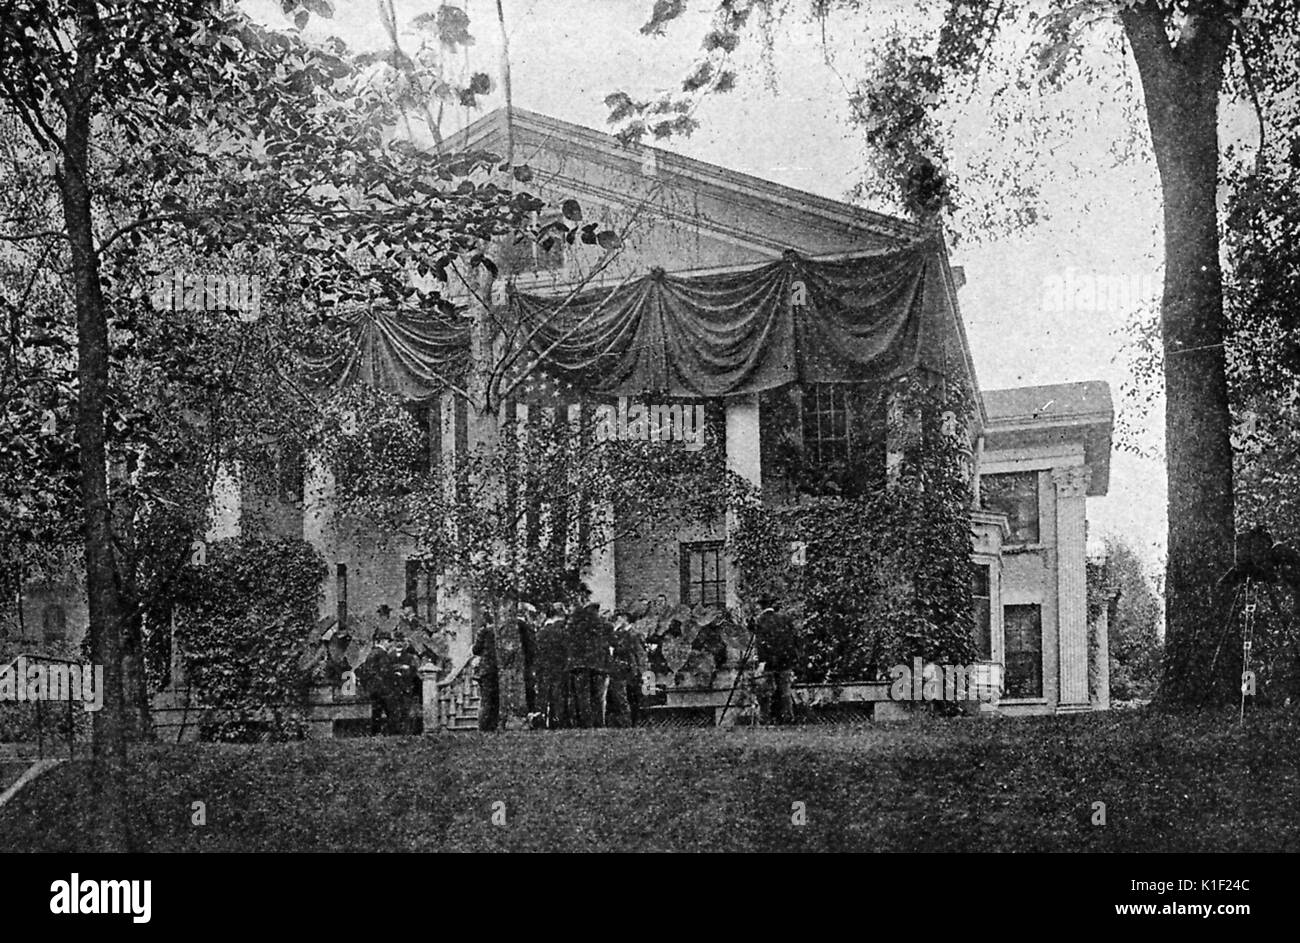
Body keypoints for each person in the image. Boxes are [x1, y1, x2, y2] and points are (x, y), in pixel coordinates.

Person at [754, 594, 797, 724]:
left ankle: (765, 718)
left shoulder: (760, 620)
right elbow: (792, 640)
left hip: (768, 662)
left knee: (765, 692)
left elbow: (760, 643)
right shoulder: (784, 618)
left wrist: (762, 662)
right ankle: (788, 718)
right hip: (784, 661)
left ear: (761, 606)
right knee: (785, 691)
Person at [607, 610, 649, 727]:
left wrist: (643, 672)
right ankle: (627, 723)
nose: (617, 621)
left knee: (632, 698)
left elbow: (640, 655)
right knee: (624, 698)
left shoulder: (634, 634)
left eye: (619, 618)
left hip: (632, 671)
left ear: (625, 619)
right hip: (621, 671)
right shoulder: (620, 634)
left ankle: (633, 723)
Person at [356, 629, 398, 735]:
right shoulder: (381, 653)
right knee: (391, 711)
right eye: (389, 641)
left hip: (373, 688)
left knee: (376, 712)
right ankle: (393, 734)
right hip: (382, 688)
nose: (390, 644)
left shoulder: (372, 653)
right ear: (383, 641)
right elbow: (385, 671)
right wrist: (395, 673)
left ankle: (375, 734)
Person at [472, 620, 500, 732]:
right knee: (495, 701)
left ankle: (484, 727)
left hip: (486, 669)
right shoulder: (503, 630)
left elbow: (476, 650)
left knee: (486, 700)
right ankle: (491, 726)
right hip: (498, 668)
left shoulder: (484, 632)